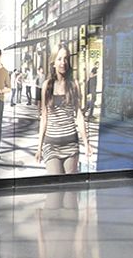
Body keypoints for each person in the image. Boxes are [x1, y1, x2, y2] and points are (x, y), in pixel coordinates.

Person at [36, 45, 91, 175]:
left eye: (66, 58)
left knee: (70, 187)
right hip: (51, 145)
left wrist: (86, 143)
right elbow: (44, 118)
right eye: (59, 59)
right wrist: (39, 147)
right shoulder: (47, 86)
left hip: (71, 144)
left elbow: (79, 115)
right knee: (55, 185)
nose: (63, 63)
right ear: (53, 62)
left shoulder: (74, 84)